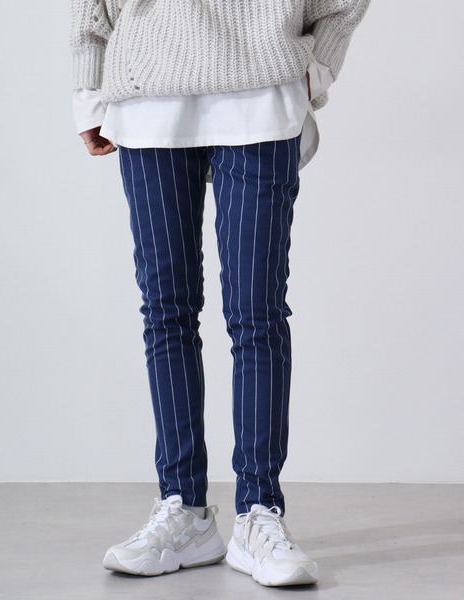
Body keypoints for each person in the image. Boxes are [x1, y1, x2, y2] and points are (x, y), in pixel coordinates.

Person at [70, 0, 370, 587]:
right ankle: (183, 509)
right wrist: (88, 90)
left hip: (261, 97)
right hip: (146, 99)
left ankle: (259, 510)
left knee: (257, 313)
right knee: (167, 312)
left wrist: (315, 68)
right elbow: (90, 9)